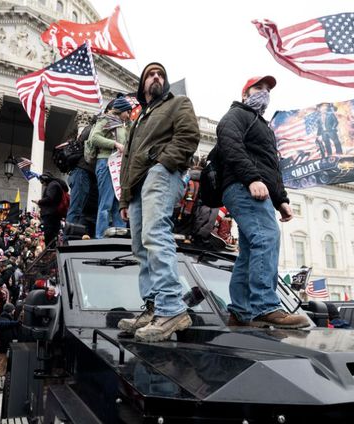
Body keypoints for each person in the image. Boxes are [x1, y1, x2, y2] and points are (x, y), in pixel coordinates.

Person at [117, 62, 200, 342]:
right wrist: (124, 201)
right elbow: (127, 161)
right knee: (140, 247)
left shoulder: (178, 104)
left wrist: (162, 165)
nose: (155, 77)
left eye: (160, 74)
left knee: (155, 235)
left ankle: (171, 308)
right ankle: (153, 309)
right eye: (150, 74)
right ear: (142, 84)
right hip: (137, 187)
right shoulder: (139, 119)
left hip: (161, 175)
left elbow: (189, 137)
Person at [217, 75, 307, 329]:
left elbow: (271, 167)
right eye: (258, 88)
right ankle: (265, 306)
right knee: (267, 238)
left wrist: (282, 200)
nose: (264, 92)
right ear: (245, 93)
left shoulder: (262, 126)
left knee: (249, 250)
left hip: (257, 189)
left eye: (267, 89)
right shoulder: (237, 114)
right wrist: (251, 178)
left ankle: (241, 311)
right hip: (244, 187)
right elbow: (229, 144)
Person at [88, 95, 132, 238]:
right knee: (106, 203)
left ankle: (120, 237)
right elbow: (94, 137)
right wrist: (115, 144)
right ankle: (100, 237)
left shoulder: (123, 125)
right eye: (128, 111)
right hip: (106, 163)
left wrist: (130, 124)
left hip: (119, 166)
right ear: (122, 110)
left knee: (118, 204)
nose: (130, 114)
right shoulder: (106, 119)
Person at [33, 171, 68, 247]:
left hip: (50, 216)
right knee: (52, 237)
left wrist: (39, 201)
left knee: (49, 237)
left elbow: (50, 198)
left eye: (42, 181)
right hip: (54, 215)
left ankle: (50, 254)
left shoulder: (52, 185)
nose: (42, 184)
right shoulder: (55, 185)